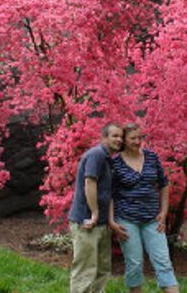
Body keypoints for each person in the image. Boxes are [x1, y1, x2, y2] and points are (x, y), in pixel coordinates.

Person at [110, 123, 180, 293]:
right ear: (124, 140)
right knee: (134, 264)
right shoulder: (115, 163)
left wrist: (164, 212)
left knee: (163, 261)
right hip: (127, 219)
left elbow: (164, 184)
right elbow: (109, 194)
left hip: (152, 219)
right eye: (133, 138)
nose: (138, 141)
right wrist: (111, 221)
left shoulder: (152, 157)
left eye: (140, 137)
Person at [68, 123, 123, 293]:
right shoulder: (96, 155)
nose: (119, 139)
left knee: (102, 269)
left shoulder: (109, 160)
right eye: (114, 136)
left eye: (121, 136)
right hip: (87, 221)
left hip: (101, 223)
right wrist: (94, 213)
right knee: (85, 270)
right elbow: (89, 182)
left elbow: (108, 193)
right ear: (104, 137)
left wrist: (108, 220)